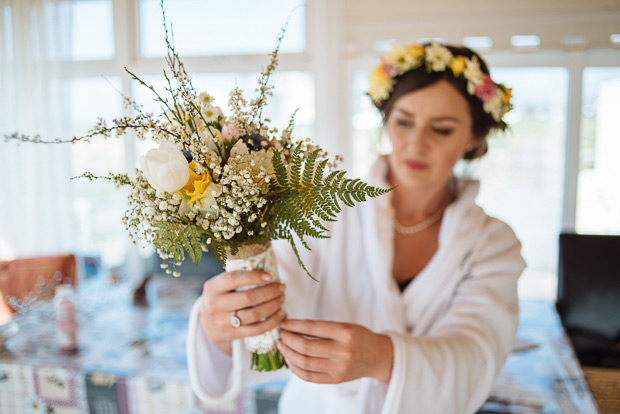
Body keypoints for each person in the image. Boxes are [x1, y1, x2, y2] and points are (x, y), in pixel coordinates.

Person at [186, 41, 526, 414]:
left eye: (441, 129)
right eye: (404, 122)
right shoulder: (328, 209)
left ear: (473, 138)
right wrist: (223, 327)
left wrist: (383, 357)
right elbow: (281, 298)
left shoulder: (493, 244)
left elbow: (477, 356)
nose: (415, 143)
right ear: (385, 119)